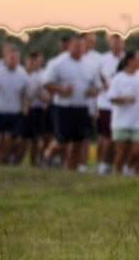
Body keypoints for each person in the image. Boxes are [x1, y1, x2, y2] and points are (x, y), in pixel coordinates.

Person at [43, 33, 104, 172]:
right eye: (76, 45)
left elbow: (97, 85)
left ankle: (71, 169)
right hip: (63, 107)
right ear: (69, 46)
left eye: (81, 46)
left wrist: (94, 91)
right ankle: (48, 154)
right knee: (62, 141)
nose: (78, 48)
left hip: (81, 107)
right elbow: (46, 84)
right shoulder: (58, 63)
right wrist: (61, 90)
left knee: (79, 141)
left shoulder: (90, 65)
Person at [0, 44, 35, 166]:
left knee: (8, 139)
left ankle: (0, 162)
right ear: (5, 58)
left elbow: (28, 93)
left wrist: (25, 106)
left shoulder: (23, 75)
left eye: (16, 58)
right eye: (11, 57)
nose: (13, 60)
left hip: (14, 113)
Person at [105, 50, 139, 173]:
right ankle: (117, 173)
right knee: (121, 152)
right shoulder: (119, 78)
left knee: (137, 151)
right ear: (130, 61)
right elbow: (111, 98)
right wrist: (125, 99)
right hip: (121, 121)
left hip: (137, 121)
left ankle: (128, 168)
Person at [91, 33, 126, 174]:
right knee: (107, 136)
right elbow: (96, 79)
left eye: (119, 42)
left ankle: (114, 163)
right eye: (114, 42)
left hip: (123, 106)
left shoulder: (127, 59)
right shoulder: (103, 60)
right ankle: (102, 163)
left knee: (118, 137)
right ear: (109, 44)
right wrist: (101, 87)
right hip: (106, 104)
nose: (117, 45)